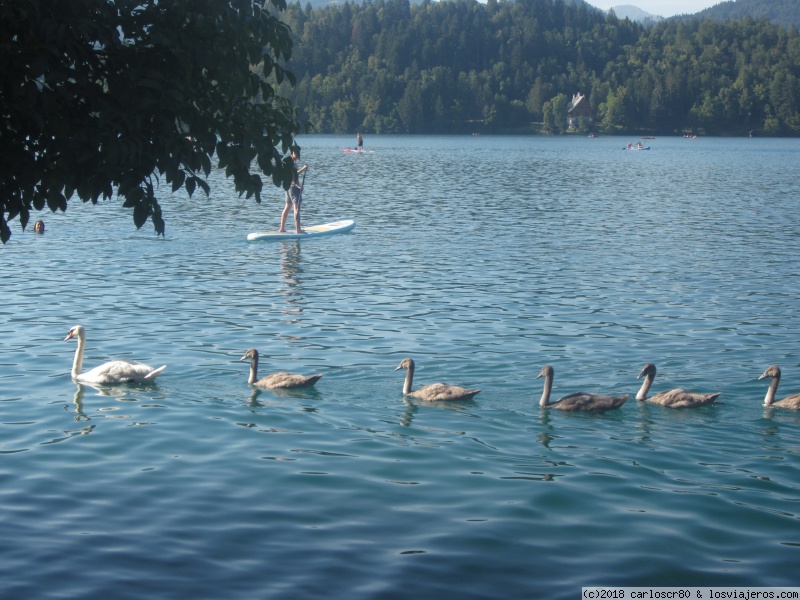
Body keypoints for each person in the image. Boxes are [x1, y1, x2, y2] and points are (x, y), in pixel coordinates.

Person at [278, 146, 308, 234]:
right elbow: (291, 176)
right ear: (292, 153)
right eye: (296, 153)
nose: (298, 155)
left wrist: (302, 168)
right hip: (293, 188)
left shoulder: (290, 162)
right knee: (297, 208)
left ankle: (282, 228)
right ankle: (298, 230)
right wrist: (297, 185)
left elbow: (294, 173)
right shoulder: (291, 163)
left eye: (299, 153)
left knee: (287, 207)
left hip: (287, 187)